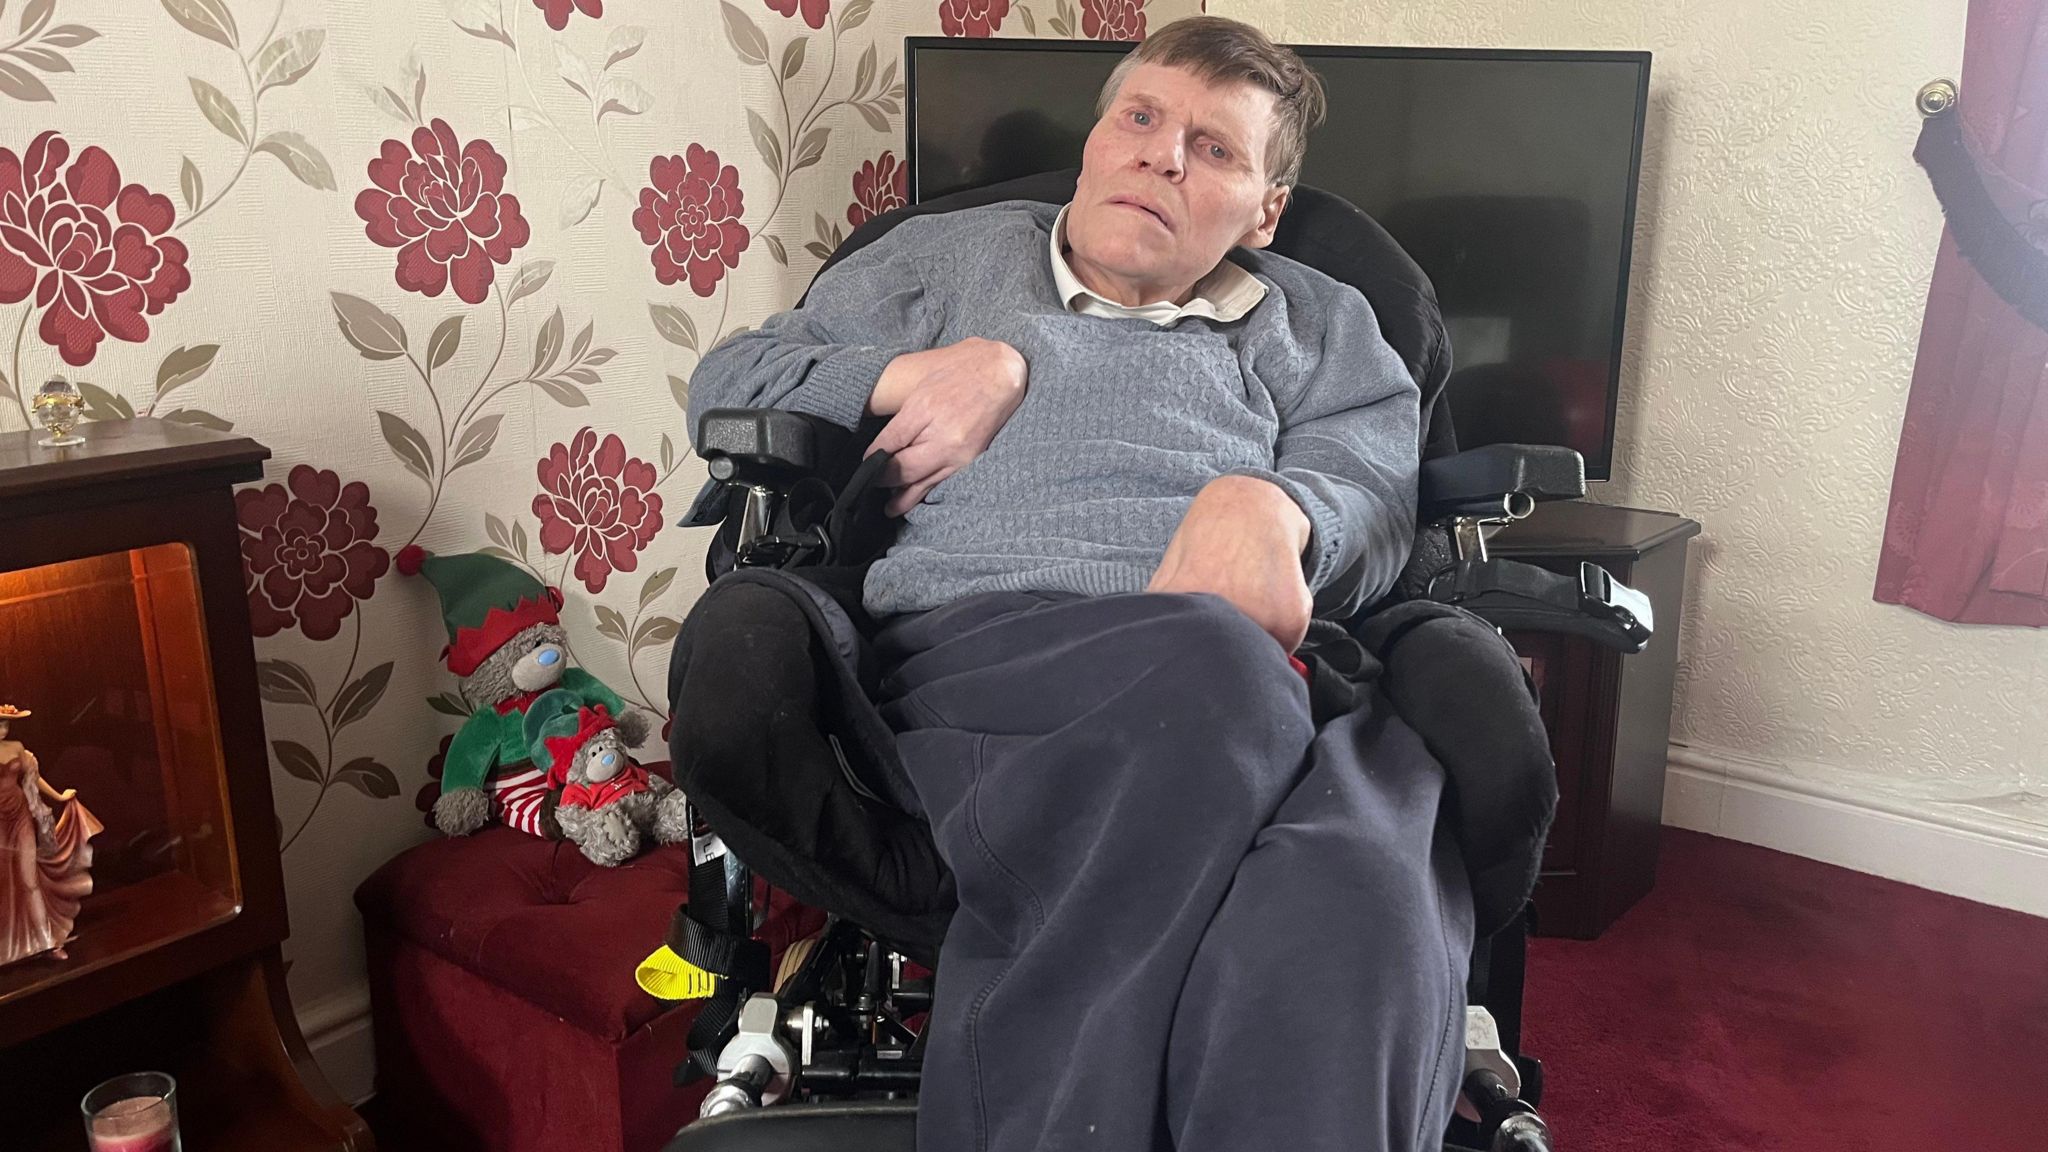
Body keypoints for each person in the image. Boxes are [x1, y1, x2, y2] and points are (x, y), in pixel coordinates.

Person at [688, 17, 1469, 1152]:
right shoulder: (944, 262)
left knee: (1371, 901)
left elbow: (1377, 484)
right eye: (1140, 119)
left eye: (1214, 148)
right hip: (999, 653)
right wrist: (932, 369)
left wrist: (1274, 506)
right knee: (1207, 673)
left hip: (1271, 667)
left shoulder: (1322, 322)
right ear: (1096, 141)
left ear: (1263, 212)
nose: (1162, 155)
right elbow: (735, 377)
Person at [0, 705, 102, 966]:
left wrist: (59, 796)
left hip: (19, 816)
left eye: (6, 724)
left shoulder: (17, 747)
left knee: (28, 878)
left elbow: (34, 779)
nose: (2, 729)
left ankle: (46, 941)